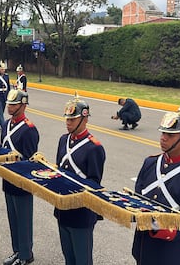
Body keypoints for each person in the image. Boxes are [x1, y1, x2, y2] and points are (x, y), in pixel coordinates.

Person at [132, 111, 180, 265]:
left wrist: (153, 224)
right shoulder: (150, 163)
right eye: (163, 133)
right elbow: (137, 198)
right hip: (143, 245)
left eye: (170, 135)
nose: (163, 138)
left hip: (171, 253)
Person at [54, 94, 106, 265]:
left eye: (72, 119)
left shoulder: (94, 148)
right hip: (62, 208)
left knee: (82, 259)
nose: (68, 122)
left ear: (84, 119)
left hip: (81, 212)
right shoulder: (63, 140)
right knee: (68, 256)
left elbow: (94, 183)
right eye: (67, 118)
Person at [1, 89, 39, 265]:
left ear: (23, 105)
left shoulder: (29, 129)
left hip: (22, 182)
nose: (10, 107)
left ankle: (26, 254)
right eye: (9, 103)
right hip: (7, 178)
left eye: (14, 104)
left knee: (23, 221)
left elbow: (31, 161)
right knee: (13, 220)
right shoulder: (6, 125)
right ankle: (17, 251)